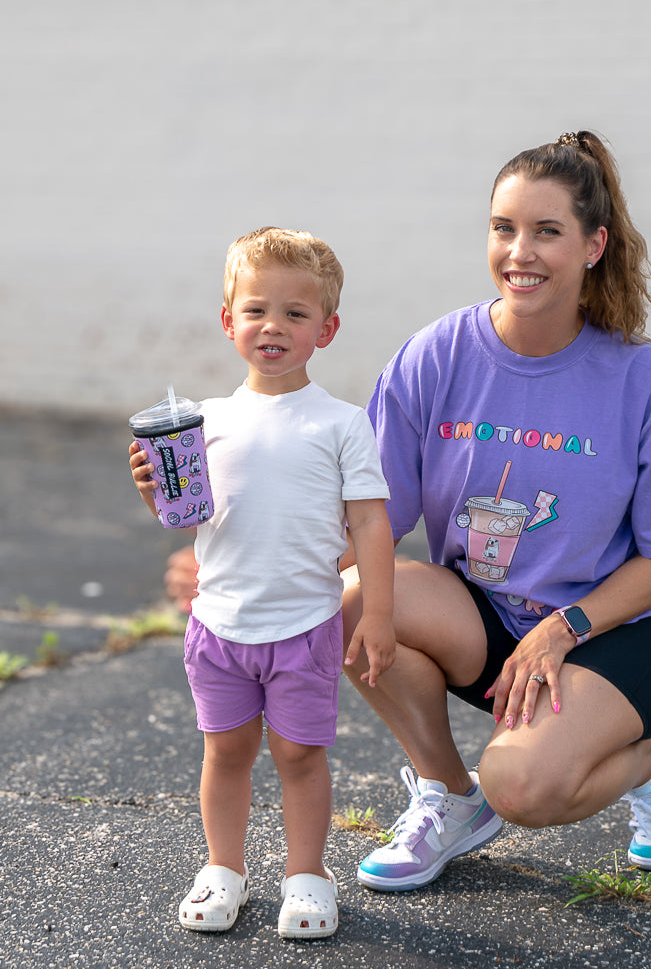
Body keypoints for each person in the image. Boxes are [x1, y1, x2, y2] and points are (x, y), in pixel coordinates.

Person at [338, 130, 651, 892]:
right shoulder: (438, 354)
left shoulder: (646, 381)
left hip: (626, 629)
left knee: (523, 785)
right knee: (348, 605)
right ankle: (450, 798)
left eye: (547, 231)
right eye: (504, 228)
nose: (520, 251)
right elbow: (368, 518)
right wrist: (223, 550)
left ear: (593, 245)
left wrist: (564, 629)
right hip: (495, 620)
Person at [129, 227, 395, 938]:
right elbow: (190, 516)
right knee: (226, 752)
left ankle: (307, 875)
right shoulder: (203, 423)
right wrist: (155, 492)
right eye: (255, 309)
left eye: (295, 313)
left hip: (305, 625)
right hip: (218, 625)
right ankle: (224, 868)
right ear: (228, 322)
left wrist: (377, 614)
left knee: (300, 756)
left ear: (326, 329)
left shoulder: (342, 425)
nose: (272, 325)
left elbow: (370, 525)